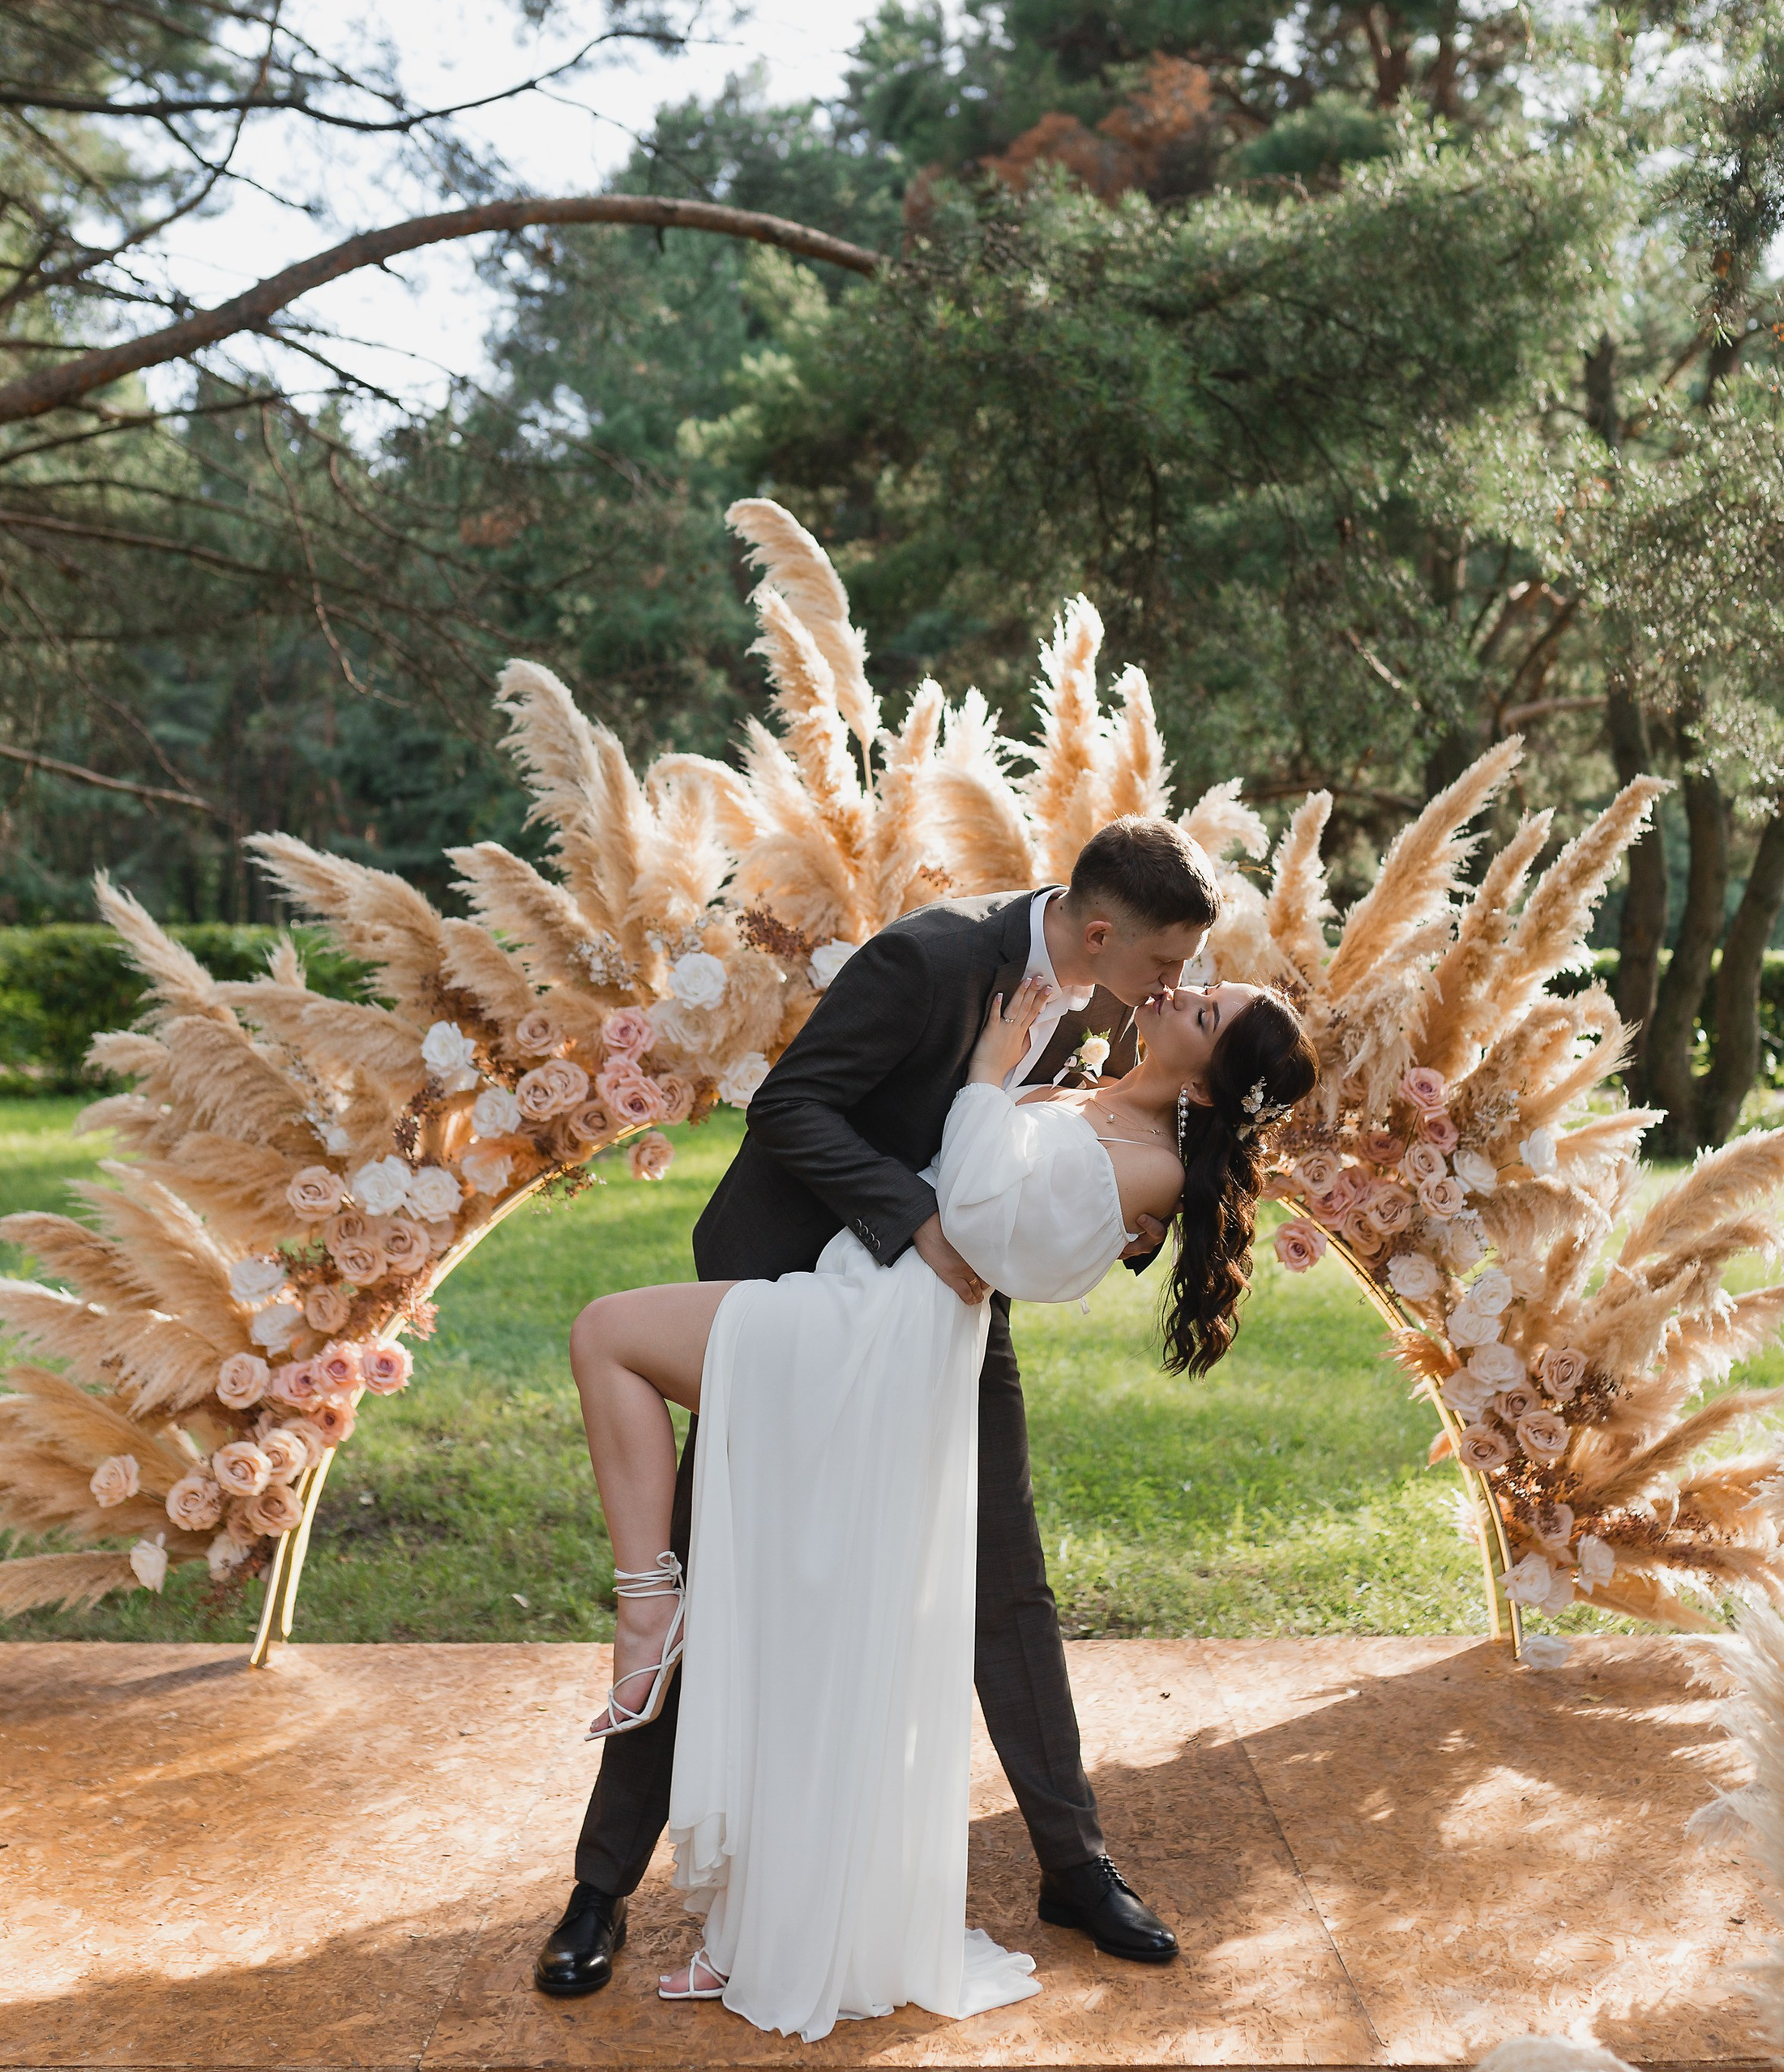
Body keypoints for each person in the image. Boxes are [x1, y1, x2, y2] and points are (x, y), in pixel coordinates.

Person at [531, 819, 1311, 2003]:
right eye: (1168, 968)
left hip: (948, 1316)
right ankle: (602, 1889)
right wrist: (922, 1224)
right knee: (713, 1564)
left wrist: (1105, 1208)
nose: (1176, 987)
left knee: (1008, 1581)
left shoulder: (1109, 1002)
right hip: (815, 1281)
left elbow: (1108, 1164)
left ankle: (1075, 1865)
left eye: (1186, 982)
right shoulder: (933, 960)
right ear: (1104, 934)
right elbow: (791, 1110)